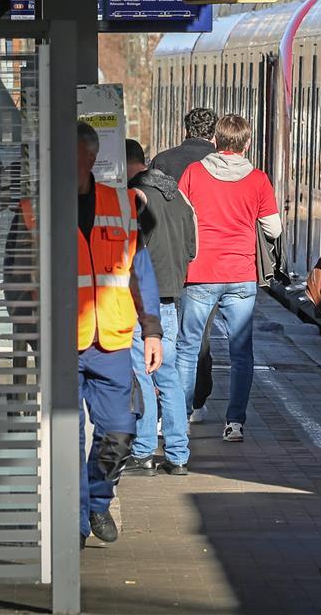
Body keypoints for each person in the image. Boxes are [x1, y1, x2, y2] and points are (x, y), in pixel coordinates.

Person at [75, 122, 163, 546]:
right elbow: (17, 278)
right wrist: (29, 335)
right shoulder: (35, 208)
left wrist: (152, 331)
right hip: (59, 344)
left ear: (91, 158)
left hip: (110, 341)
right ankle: (75, 522)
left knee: (120, 431)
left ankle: (97, 500)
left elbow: (139, 273)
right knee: (66, 435)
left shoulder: (123, 204)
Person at [176, 114, 281, 445]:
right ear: (247, 144)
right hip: (241, 275)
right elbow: (274, 229)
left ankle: (181, 417)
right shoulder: (259, 180)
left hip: (200, 272)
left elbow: (180, 215)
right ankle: (234, 423)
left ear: (215, 141)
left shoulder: (193, 173)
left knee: (188, 348)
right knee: (241, 353)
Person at [123, 139, 197, 476]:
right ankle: (178, 455)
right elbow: (193, 248)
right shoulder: (178, 196)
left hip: (143, 300)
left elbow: (129, 251)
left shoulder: (134, 197)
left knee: (142, 373)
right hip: (172, 297)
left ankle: (143, 451)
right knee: (168, 377)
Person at [152, 108, 220, 425]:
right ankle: (197, 398)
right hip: (208, 262)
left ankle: (169, 398)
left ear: (185, 129)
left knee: (169, 332)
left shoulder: (163, 161)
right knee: (199, 335)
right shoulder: (219, 164)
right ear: (214, 134)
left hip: (168, 260)